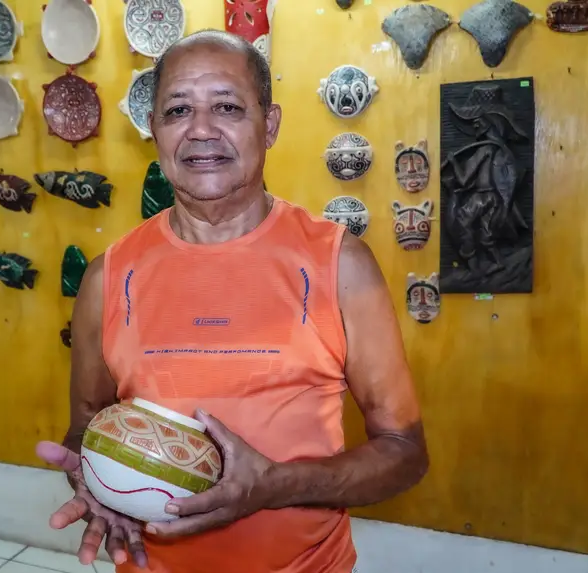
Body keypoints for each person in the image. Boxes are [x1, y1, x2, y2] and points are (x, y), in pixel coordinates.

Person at [36, 29, 429, 573]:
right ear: (153, 129)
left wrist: (273, 486)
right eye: (177, 110)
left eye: (226, 106)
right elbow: (84, 423)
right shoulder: (109, 278)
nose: (200, 130)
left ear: (268, 126)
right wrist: (93, 475)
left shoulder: (340, 265)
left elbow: (405, 451)